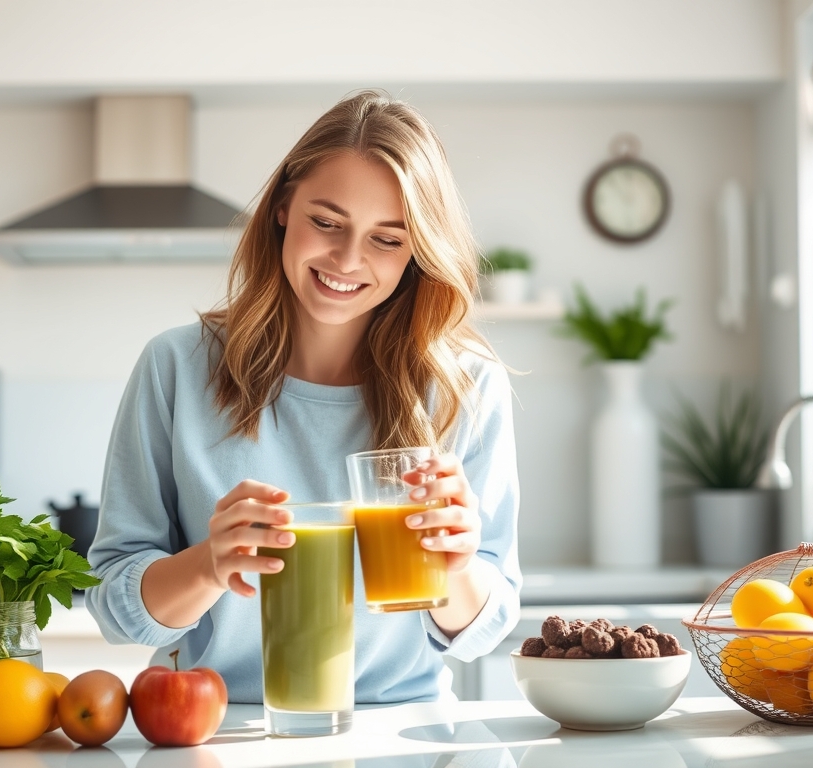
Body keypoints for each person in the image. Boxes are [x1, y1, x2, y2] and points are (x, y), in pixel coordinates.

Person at [84, 90, 520, 704]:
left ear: (416, 253)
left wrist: (454, 568)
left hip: (398, 737)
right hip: (213, 727)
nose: (347, 259)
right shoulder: (176, 366)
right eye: (327, 222)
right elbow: (114, 607)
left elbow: (485, 629)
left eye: (387, 240)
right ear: (284, 206)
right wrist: (209, 562)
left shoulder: (463, 385)